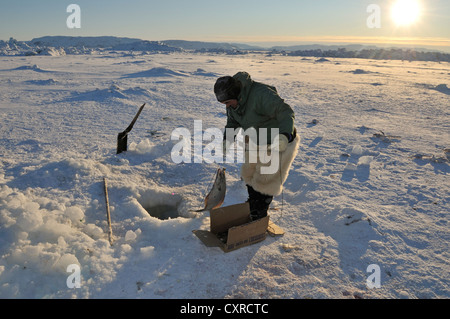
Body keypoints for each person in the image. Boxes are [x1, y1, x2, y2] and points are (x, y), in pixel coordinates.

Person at [214, 71, 300, 221]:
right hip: (255, 139)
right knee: (250, 173)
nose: (226, 106)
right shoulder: (233, 104)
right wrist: (227, 140)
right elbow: (233, 122)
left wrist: (285, 135)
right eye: (224, 104)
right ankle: (253, 204)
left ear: (236, 95)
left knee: (265, 180)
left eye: (227, 102)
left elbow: (285, 111)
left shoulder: (260, 95)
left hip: (278, 139)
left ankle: (259, 212)